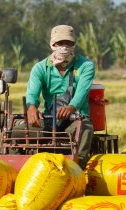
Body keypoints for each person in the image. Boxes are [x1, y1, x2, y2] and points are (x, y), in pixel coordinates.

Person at [18, 25, 95, 169]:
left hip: (76, 118)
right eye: (60, 43)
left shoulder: (86, 65)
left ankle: (78, 172)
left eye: (68, 43)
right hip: (49, 118)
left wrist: (71, 108)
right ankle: (15, 171)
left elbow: (82, 92)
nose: (64, 47)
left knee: (85, 129)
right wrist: (32, 107)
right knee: (9, 135)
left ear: (74, 44)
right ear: (52, 44)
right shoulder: (40, 68)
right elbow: (32, 93)